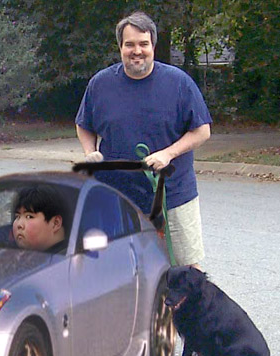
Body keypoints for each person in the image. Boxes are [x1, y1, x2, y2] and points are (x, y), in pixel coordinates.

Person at [75, 11, 212, 269]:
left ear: (153, 46)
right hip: (117, 197)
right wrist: (89, 152)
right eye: (130, 44)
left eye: (143, 44)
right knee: (120, 269)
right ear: (120, 47)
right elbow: (84, 125)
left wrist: (168, 154)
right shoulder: (100, 84)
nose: (136, 51)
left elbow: (202, 130)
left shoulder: (179, 83)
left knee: (187, 271)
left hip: (173, 194)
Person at [12, 184, 69, 253]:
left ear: (55, 223)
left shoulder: (67, 258)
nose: (19, 225)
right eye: (17, 217)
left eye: (29, 217)